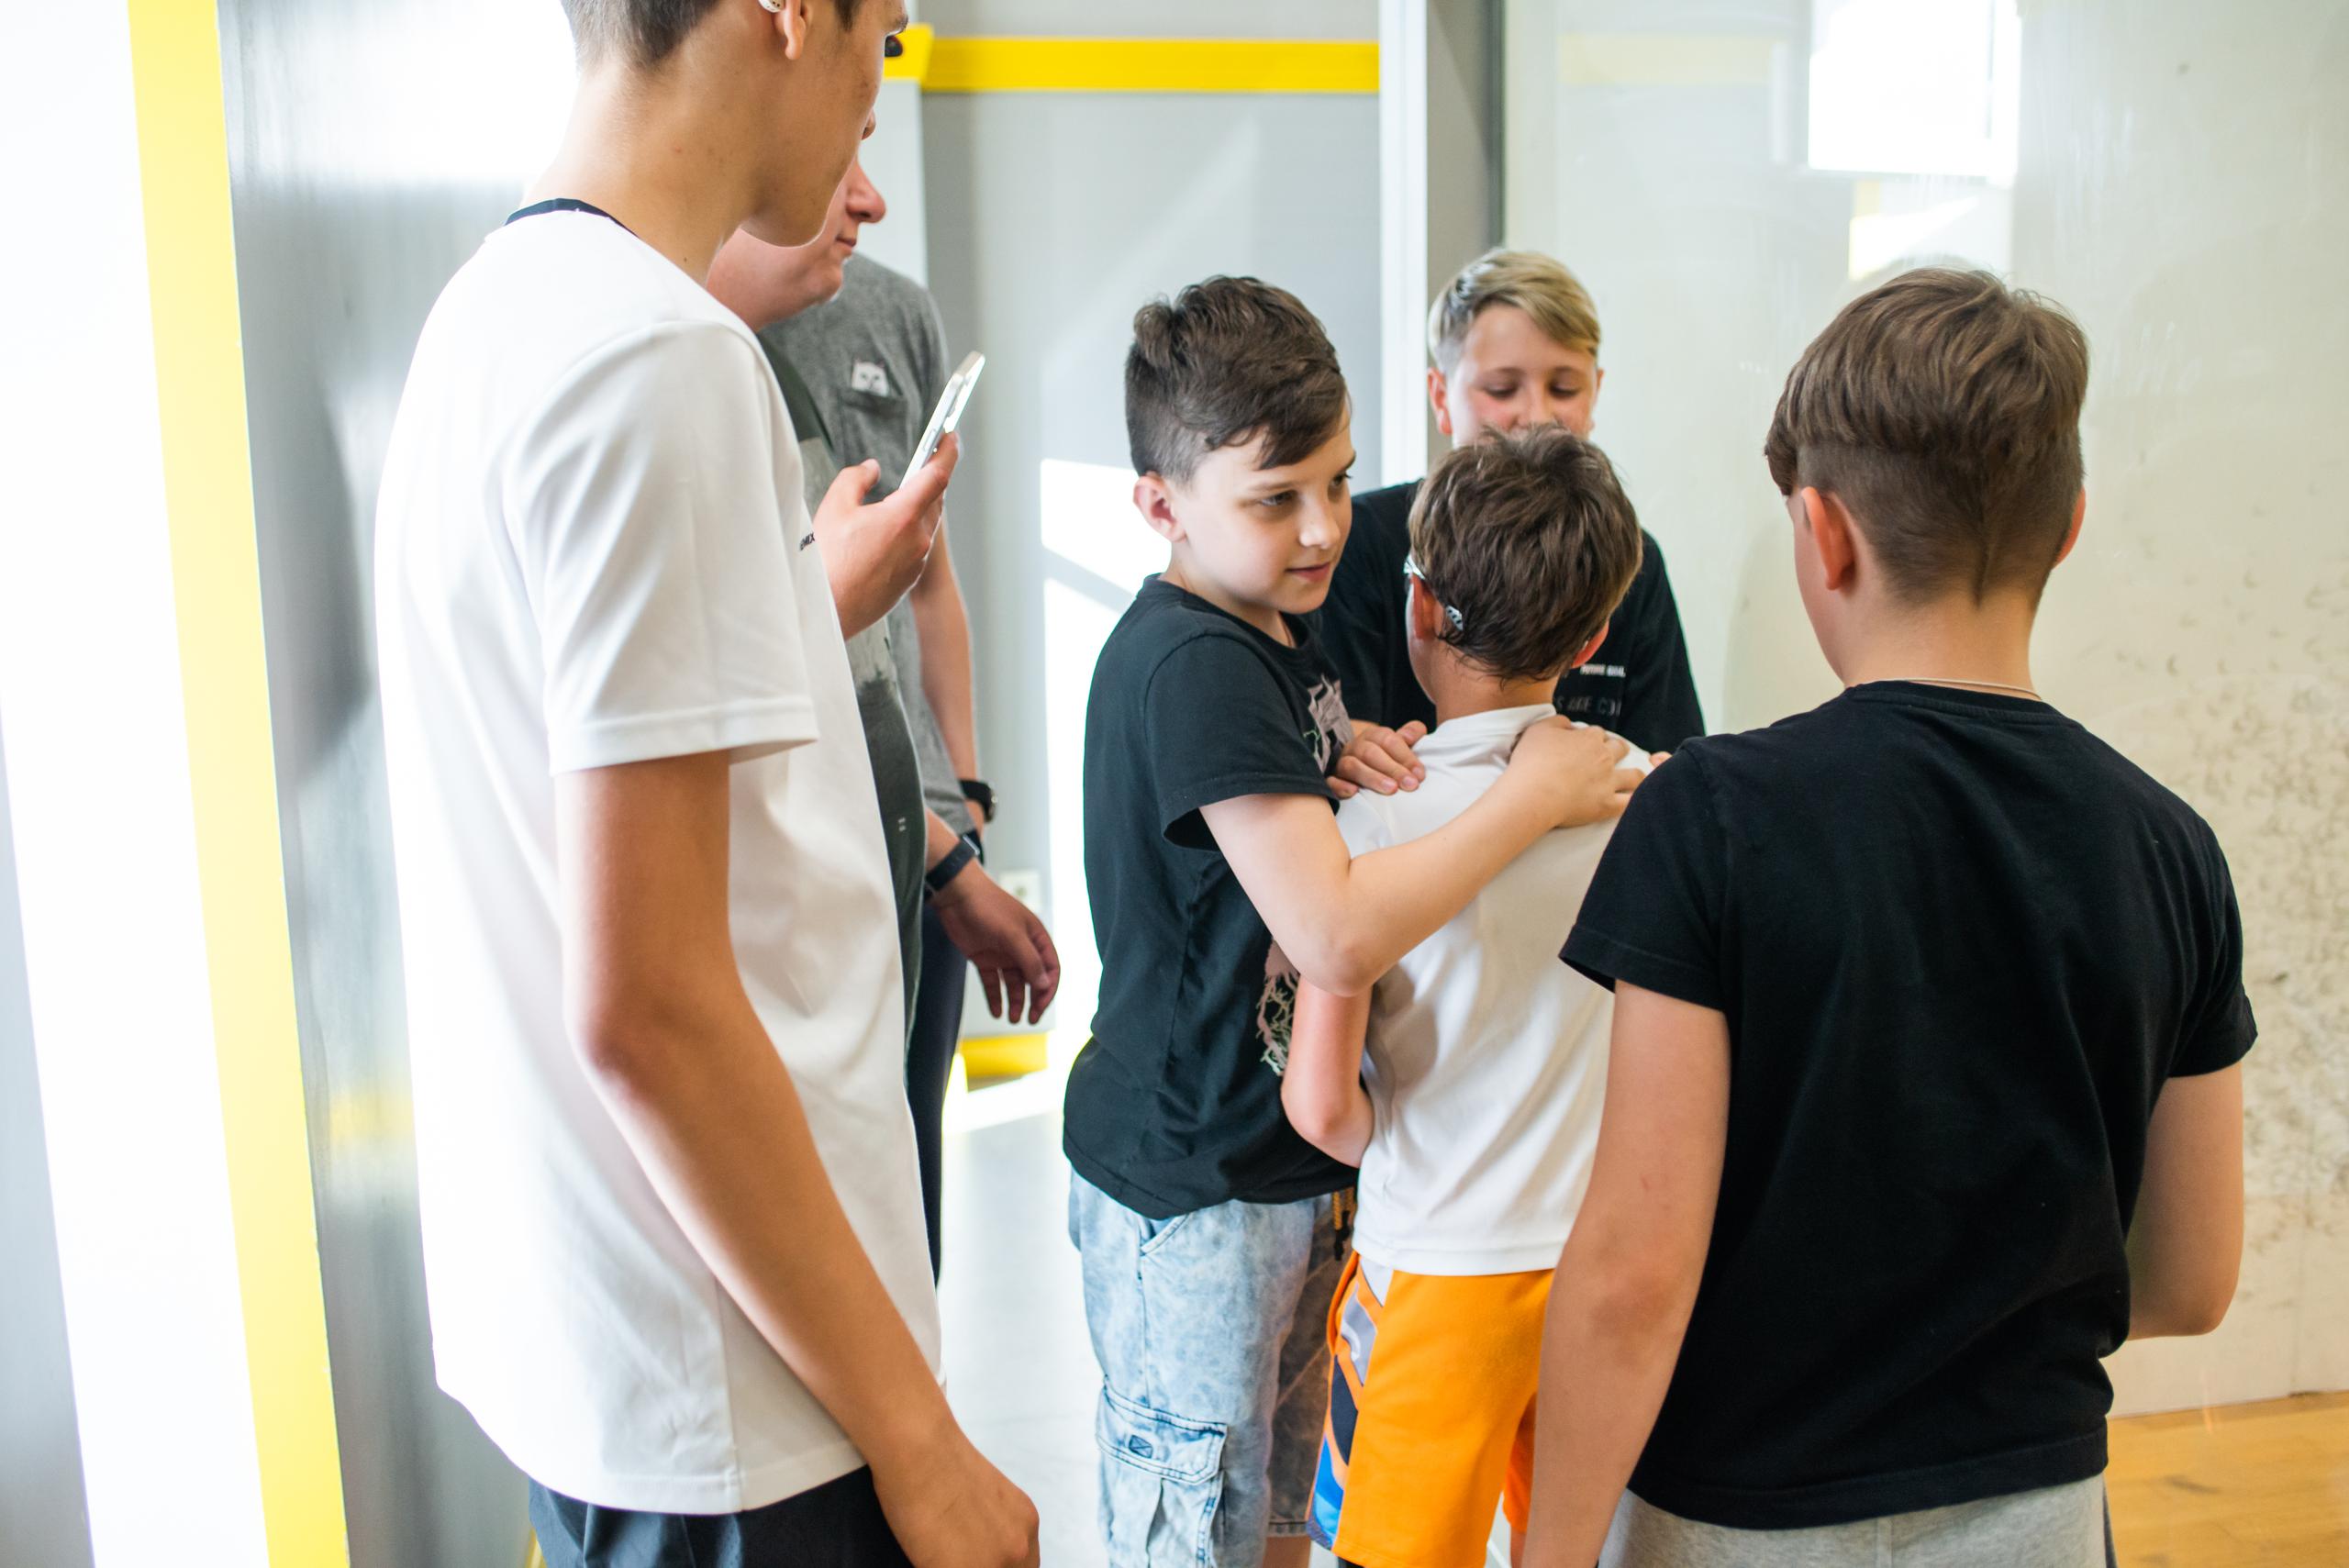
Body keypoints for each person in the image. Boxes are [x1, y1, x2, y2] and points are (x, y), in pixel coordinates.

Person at [373, 1, 1038, 1564]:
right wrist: (922, 1441)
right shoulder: (657, 359)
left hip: (626, 1356)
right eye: (888, 35)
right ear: (793, 13)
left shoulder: (496, 313)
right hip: (742, 1402)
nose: (877, 99)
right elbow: (652, 1006)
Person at [1521, 268, 2254, 1568]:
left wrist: (1554, 1552)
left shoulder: (1712, 814)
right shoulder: (2170, 847)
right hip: (2039, 1513)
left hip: (1738, 1519)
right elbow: (2191, 1277)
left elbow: (1635, 1274)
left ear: (1824, 533)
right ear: (2068, 527)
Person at [1065, 276, 1644, 1568]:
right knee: (1198, 1525)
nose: (1327, 526)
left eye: (1337, 479)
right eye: (1276, 499)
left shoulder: (1272, 629)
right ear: (1162, 505)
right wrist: (1531, 795)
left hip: (1289, 1173)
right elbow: (1332, 935)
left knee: (1278, 1511)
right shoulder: (1195, 660)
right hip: (1197, 1181)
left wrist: (1336, 757)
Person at [1281, 428, 1649, 1568]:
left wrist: (1404, 1140)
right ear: (1593, 636)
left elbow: (1321, 1108)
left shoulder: (1369, 823)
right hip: (1604, 1267)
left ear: (1420, 605)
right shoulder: (1651, 799)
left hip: (1438, 1272)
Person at [707, 159, 1061, 1276]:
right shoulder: (691, 370)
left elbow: (926, 581)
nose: (868, 197)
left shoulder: (885, 319)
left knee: (905, 1179)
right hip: (826, 846)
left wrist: (962, 802)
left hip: (919, 819)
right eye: (845, 152)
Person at [1316, 250, 1704, 756]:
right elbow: (1345, 750)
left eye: (1564, 388)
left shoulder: (1633, 561)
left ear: (1596, 392)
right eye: (1501, 389)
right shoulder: (1357, 541)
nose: (1536, 415)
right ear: (1440, 397)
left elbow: (1667, 761)